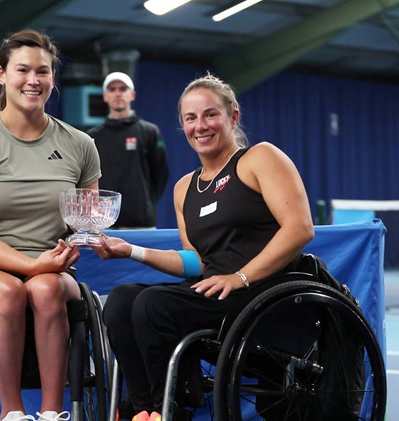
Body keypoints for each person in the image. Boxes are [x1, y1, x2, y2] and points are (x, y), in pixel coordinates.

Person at [93, 74, 315, 421]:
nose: (201, 126)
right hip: (217, 297)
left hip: (264, 296)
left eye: (211, 115)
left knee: (154, 304)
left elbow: (300, 229)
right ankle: (144, 409)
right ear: (182, 125)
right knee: (122, 300)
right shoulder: (184, 188)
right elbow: (197, 261)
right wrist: (131, 250)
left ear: (233, 117)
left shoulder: (260, 158)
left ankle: (171, 409)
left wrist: (240, 277)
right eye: (191, 118)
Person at [0, 29, 100, 421]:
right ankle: (11, 413)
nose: (34, 80)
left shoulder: (80, 144)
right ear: (2, 74)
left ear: (52, 78)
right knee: (12, 292)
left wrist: (80, 240)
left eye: (43, 71)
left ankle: (51, 413)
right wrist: (31, 266)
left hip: (54, 267)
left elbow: (87, 220)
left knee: (46, 290)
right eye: (23, 70)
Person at [87, 72, 168, 229]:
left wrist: (145, 204)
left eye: (123, 89)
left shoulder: (150, 132)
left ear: (132, 95)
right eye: (112, 89)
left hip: (142, 225)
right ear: (105, 96)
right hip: (104, 225)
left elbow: (161, 174)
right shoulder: (92, 136)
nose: (118, 93)